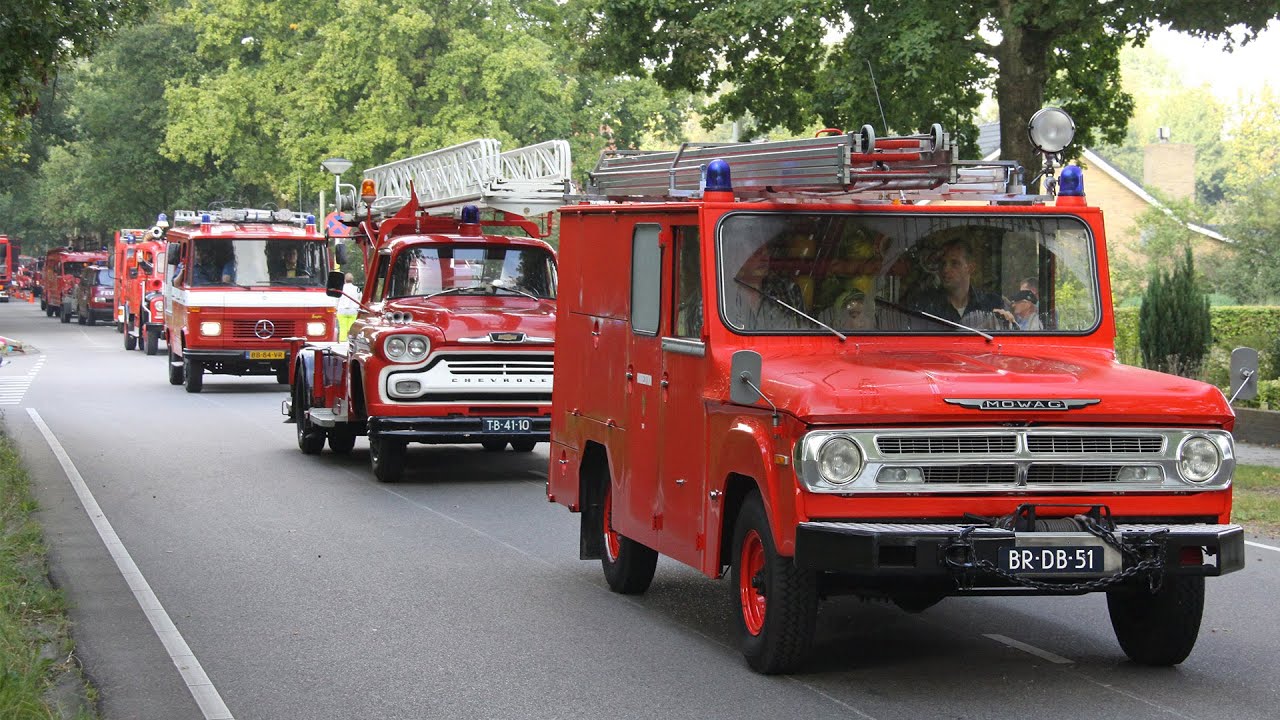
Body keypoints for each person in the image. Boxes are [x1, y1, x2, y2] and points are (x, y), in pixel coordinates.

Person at [910, 239, 1004, 325]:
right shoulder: (924, 305)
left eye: (954, 263)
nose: (945, 269)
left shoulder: (991, 304)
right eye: (943, 263)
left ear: (970, 268)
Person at [336, 272, 360, 341]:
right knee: (351, 328)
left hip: (342, 311)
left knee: (342, 327)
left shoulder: (341, 288)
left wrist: (336, 308)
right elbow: (360, 299)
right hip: (353, 311)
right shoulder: (357, 289)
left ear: (344, 280)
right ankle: (350, 341)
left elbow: (337, 299)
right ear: (352, 280)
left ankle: (343, 341)